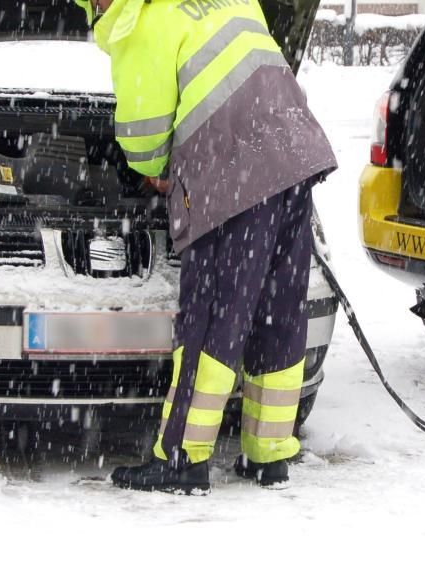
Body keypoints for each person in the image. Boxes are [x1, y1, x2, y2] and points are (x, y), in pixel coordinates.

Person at [75, 0, 337, 494]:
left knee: (215, 317)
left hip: (236, 172)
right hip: (292, 159)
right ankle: (269, 455)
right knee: (276, 313)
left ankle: (182, 459)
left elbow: (144, 132)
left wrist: (156, 171)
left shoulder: (142, 23)